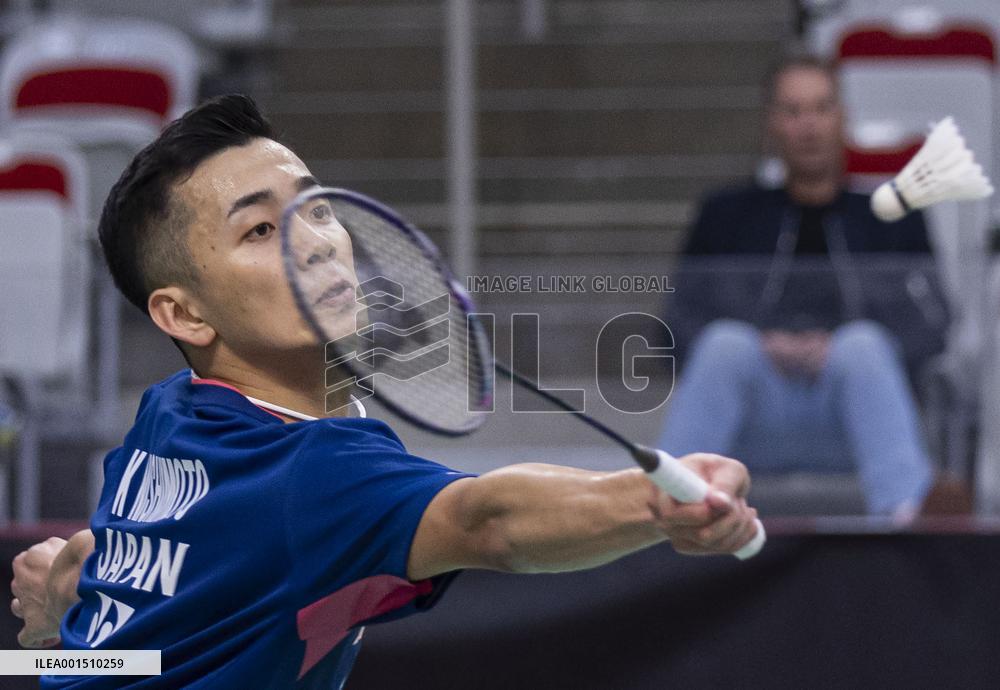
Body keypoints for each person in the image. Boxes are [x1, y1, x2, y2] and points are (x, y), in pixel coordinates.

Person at [10, 95, 760, 689]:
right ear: (184, 313)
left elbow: (138, 633)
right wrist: (651, 503)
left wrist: (57, 625)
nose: (316, 239)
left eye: (317, 206)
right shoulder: (316, 476)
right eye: (261, 231)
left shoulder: (171, 410)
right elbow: (487, 520)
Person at [659, 55, 937, 518]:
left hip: (856, 409)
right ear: (772, 124)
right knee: (727, 345)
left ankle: (905, 524)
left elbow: (934, 326)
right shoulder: (725, 215)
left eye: (821, 108)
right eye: (792, 111)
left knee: (862, 347)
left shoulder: (893, 218)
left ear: (843, 117)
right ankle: (666, 513)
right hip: (753, 406)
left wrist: (836, 347)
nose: (808, 126)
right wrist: (764, 344)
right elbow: (674, 327)